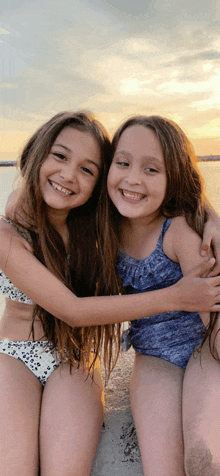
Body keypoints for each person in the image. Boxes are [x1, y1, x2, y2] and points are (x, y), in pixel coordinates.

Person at [0, 111, 220, 476]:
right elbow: (72, 309)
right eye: (59, 156)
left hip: (76, 357)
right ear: (37, 153)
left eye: (88, 169)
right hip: (17, 354)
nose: (70, 175)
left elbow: (166, 196)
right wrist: (180, 296)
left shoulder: (96, 223)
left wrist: (212, 215)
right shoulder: (12, 229)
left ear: (98, 181)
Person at [106, 114, 220, 476]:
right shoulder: (102, 228)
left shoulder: (180, 229)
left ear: (174, 178)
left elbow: (214, 314)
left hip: (205, 347)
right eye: (122, 163)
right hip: (154, 354)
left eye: (152, 169)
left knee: (204, 459)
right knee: (162, 467)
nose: (133, 178)